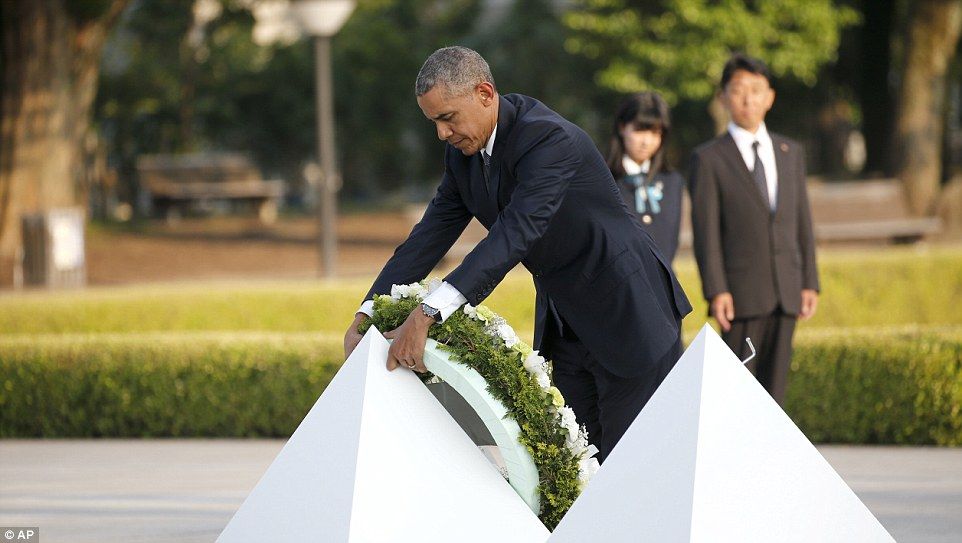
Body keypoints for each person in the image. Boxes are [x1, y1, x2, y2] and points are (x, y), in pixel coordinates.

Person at [343, 46, 691, 462]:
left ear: (485, 94)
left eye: (448, 118)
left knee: (631, 469)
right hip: (566, 325)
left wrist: (429, 313)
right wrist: (368, 312)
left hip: (629, 314)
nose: (442, 134)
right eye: (433, 122)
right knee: (578, 466)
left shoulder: (548, 138)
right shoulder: (462, 158)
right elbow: (427, 239)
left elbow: (515, 233)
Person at [688, 53, 820, 405]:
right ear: (723, 97)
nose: (748, 99)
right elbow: (706, 232)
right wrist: (716, 290)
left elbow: (801, 220)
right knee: (739, 392)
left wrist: (810, 280)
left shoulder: (790, 151)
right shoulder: (709, 158)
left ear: (770, 97)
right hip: (741, 295)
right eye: (739, 90)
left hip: (788, 289)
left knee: (776, 393)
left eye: (756, 90)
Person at [607, 92, 684, 264]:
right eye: (640, 130)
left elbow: (671, 242)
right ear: (622, 127)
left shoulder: (672, 181)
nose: (647, 141)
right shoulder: (604, 180)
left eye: (656, 132)